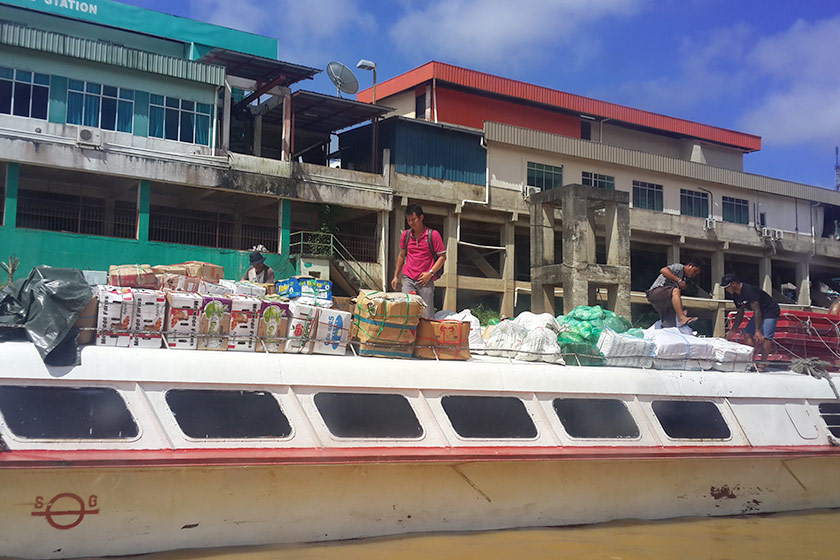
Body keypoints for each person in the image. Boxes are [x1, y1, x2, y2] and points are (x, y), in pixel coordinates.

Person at [391, 204, 446, 319]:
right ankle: (408, 336)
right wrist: (396, 276)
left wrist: (430, 273)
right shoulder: (406, 235)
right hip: (408, 278)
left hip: (425, 280)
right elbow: (401, 256)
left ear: (421, 218)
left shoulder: (433, 235)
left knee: (427, 314)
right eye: (408, 220)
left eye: (414, 219)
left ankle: (425, 335)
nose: (411, 223)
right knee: (407, 311)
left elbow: (442, 257)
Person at [722, 273, 780, 368]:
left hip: (770, 310)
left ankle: (763, 363)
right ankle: (751, 360)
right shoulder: (735, 296)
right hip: (759, 312)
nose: (726, 290)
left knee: (765, 337)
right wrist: (733, 330)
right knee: (747, 333)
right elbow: (740, 312)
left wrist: (757, 331)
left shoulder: (749, 290)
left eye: (727, 287)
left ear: (734, 284)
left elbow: (756, 310)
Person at [646, 258, 703, 327]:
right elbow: (663, 270)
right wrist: (679, 281)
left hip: (668, 299)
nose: (694, 274)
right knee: (676, 291)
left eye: (696, 274)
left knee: (670, 324)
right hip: (656, 292)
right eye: (694, 271)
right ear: (690, 265)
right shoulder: (679, 267)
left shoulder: (685, 278)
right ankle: (681, 318)